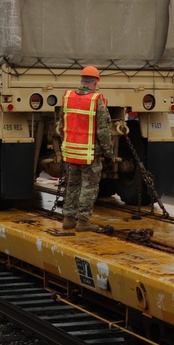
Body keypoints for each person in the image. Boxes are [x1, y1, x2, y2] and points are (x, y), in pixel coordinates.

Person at [59, 66, 114, 233]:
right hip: (89, 153)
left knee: (72, 185)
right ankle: (83, 221)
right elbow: (103, 131)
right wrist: (109, 153)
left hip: (71, 151)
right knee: (89, 186)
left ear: (82, 80)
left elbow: (62, 126)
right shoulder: (96, 100)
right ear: (96, 81)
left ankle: (68, 219)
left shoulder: (68, 97)